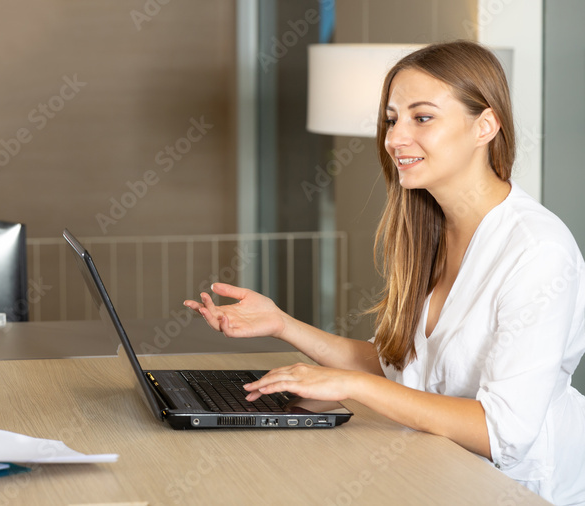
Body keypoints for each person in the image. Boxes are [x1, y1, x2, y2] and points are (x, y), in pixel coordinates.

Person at [185, 40, 585, 504]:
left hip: (518, 489)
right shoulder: (429, 229)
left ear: (485, 126)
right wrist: (284, 326)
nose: (395, 138)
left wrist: (354, 387)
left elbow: (502, 433)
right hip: (434, 472)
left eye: (423, 117)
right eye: (393, 119)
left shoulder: (537, 251)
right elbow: (403, 367)